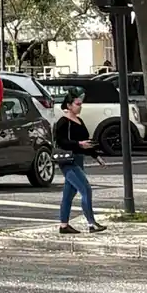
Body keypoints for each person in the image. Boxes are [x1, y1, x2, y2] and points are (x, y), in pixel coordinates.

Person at [54, 91, 104, 234]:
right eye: (77, 104)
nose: (80, 107)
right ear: (69, 106)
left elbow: (86, 141)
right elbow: (62, 141)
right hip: (68, 161)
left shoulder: (79, 121)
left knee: (69, 193)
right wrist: (78, 144)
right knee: (85, 189)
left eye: (81, 104)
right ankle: (91, 223)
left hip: (78, 159)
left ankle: (64, 225)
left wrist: (96, 156)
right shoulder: (63, 122)